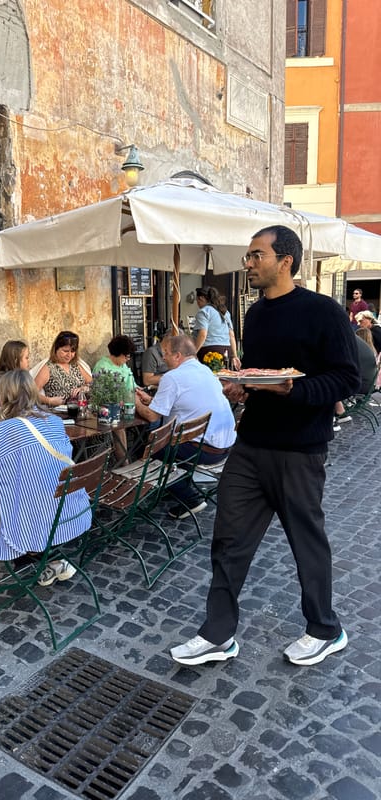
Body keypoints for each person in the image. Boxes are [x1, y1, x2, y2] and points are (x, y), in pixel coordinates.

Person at [170, 225, 359, 668]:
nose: (248, 263)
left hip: (300, 449)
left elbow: (348, 378)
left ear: (286, 261)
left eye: (257, 255)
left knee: (306, 542)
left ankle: (325, 629)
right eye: (248, 256)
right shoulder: (254, 315)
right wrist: (244, 389)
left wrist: (291, 390)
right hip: (251, 445)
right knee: (227, 540)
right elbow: (256, 375)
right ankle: (218, 634)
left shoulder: (323, 311)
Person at [0, 369, 92, 585]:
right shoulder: (55, 421)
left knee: (1, 496)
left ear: (3, 397)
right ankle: (49, 562)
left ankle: (32, 562)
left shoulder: (3, 431)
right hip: (72, 511)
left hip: (37, 525)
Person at [135, 334, 236, 518]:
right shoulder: (204, 370)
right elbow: (183, 404)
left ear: (177, 355)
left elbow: (151, 417)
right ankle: (176, 486)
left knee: (151, 450)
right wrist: (150, 400)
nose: (163, 357)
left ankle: (190, 498)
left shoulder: (172, 377)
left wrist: (134, 402)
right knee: (175, 442)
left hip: (204, 449)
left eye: (165, 353)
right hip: (226, 446)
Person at [34, 330, 92, 408]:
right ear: (56, 349)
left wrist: (84, 388)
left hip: (80, 410)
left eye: (72, 351)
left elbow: (93, 384)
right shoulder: (48, 368)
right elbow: (31, 393)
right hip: (59, 414)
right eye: (65, 351)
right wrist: (49, 400)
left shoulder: (76, 366)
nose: (69, 355)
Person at [193, 286, 241, 369]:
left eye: (197, 300)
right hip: (226, 350)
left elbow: (203, 334)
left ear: (201, 298)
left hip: (209, 351)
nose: (197, 303)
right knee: (225, 379)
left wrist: (193, 353)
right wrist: (234, 355)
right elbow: (231, 335)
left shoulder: (204, 312)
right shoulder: (224, 312)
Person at [0, 340, 30, 415]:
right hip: (0, 422)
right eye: (26, 358)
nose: (28, 361)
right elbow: (14, 406)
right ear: (15, 360)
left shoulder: (17, 377)